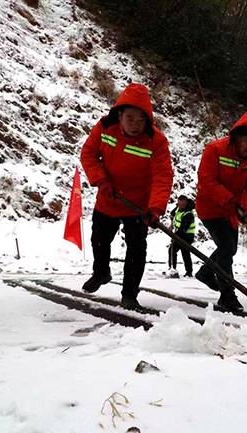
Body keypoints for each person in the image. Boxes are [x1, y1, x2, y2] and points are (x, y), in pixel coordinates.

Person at [80, 83, 174, 310]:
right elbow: (89, 154)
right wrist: (101, 181)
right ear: (119, 115)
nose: (135, 125)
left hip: (138, 205)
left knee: (136, 249)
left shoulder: (157, 141)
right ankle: (101, 272)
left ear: (148, 120)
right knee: (99, 240)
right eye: (130, 118)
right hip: (109, 197)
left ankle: (130, 294)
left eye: (141, 120)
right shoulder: (104, 127)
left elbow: (163, 175)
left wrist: (155, 208)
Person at [194, 110, 247, 312]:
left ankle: (206, 272)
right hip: (210, 207)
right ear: (236, 137)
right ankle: (227, 295)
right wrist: (229, 201)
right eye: (245, 141)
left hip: (232, 210)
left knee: (229, 249)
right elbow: (207, 180)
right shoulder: (215, 149)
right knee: (226, 249)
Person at [166, 195, 196, 278]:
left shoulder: (188, 214)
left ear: (186, 204)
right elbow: (175, 210)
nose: (180, 206)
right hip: (179, 234)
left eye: (183, 205)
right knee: (173, 250)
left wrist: (174, 237)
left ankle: (188, 271)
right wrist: (172, 214)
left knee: (184, 251)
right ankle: (172, 269)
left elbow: (183, 229)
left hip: (187, 235)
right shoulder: (178, 208)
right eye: (179, 204)